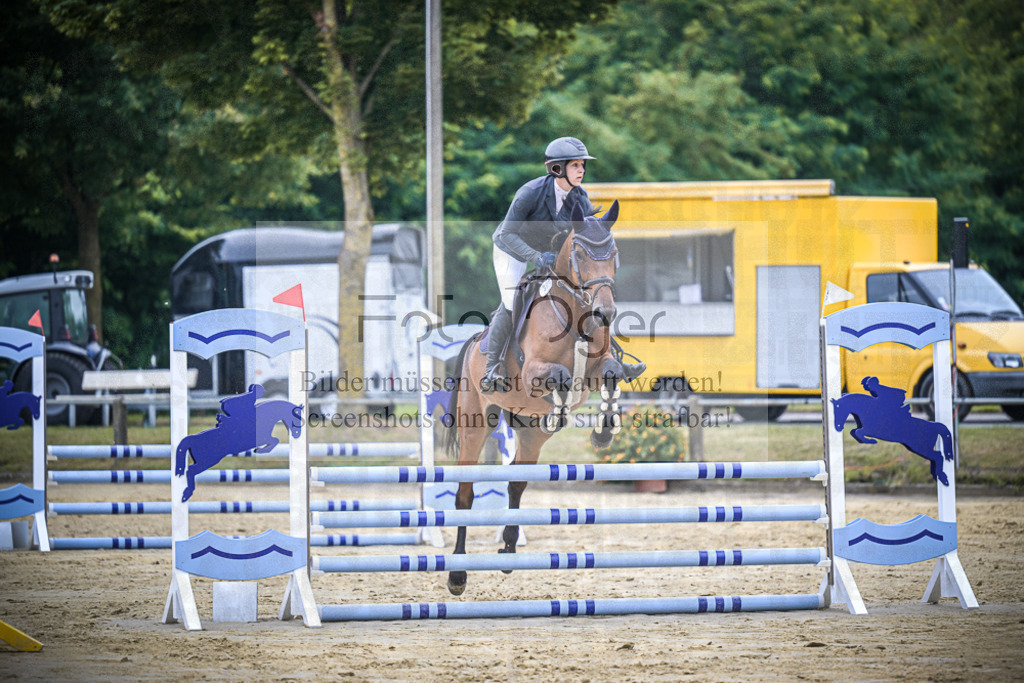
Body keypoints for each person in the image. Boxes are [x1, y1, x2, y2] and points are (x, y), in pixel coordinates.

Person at [480, 136, 598, 393]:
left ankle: (609, 355)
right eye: (575, 165)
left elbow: (586, 232)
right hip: (512, 251)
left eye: (582, 165)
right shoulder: (530, 193)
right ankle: (493, 367)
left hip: (549, 256)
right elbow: (505, 235)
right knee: (512, 301)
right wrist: (535, 257)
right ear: (557, 168)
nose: (581, 170)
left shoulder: (580, 197)